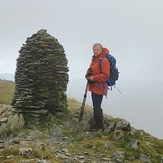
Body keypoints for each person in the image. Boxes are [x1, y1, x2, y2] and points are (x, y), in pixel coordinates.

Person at [85, 43, 110, 131]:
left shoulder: (104, 60)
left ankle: (100, 127)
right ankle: (97, 124)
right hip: (94, 86)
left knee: (97, 106)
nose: (95, 51)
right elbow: (91, 69)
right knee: (95, 106)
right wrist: (87, 75)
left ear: (101, 50)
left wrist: (93, 78)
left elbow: (106, 75)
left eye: (97, 50)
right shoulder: (95, 60)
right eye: (94, 50)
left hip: (99, 87)